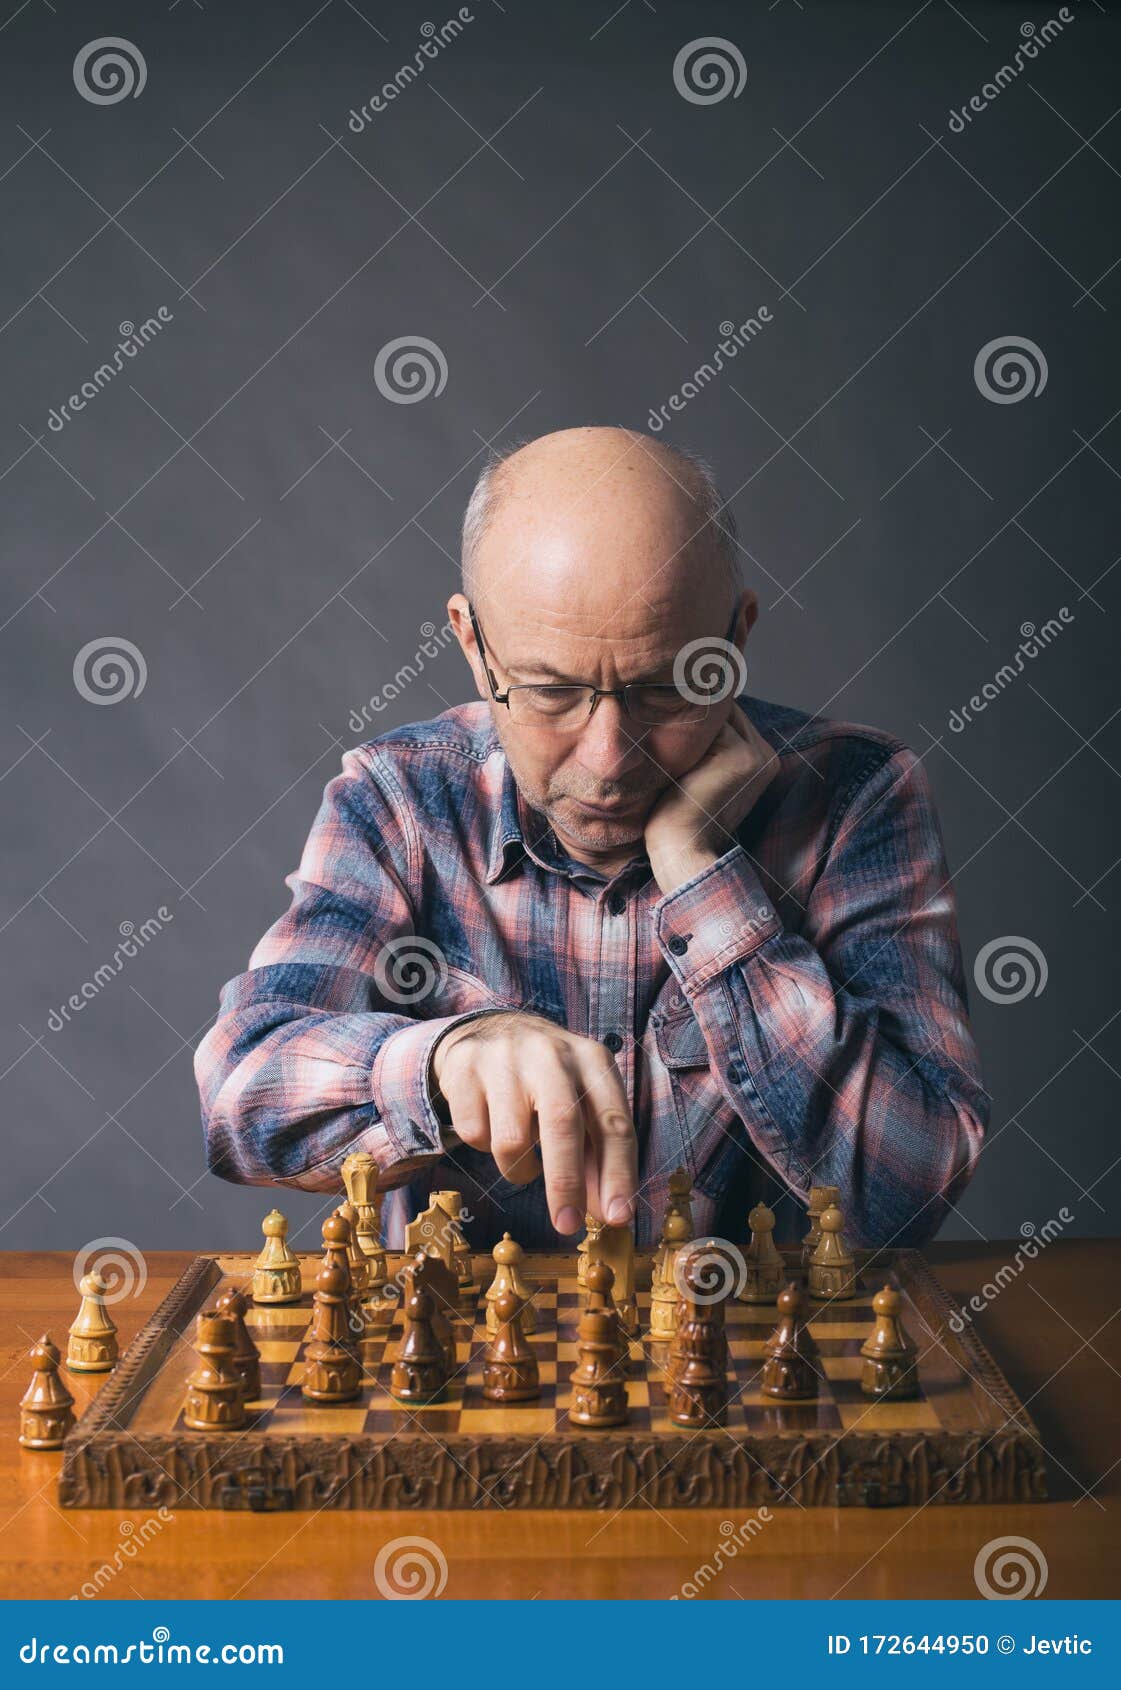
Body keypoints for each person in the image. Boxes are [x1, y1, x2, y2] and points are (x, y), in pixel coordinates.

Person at [195, 427, 988, 1249]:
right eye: (549, 692)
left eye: (664, 690)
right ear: (472, 644)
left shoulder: (855, 795)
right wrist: (443, 1060)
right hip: (473, 1371)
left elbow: (909, 1188)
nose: (610, 759)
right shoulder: (400, 800)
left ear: (735, 639)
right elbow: (238, 1099)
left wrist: (700, 874)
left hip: (747, 1367)